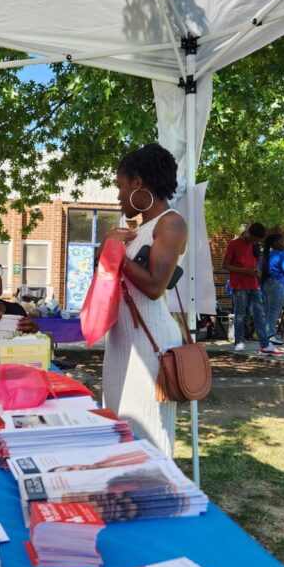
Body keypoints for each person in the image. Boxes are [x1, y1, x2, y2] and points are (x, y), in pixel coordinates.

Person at [100, 143, 186, 455]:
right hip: (122, 341)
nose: (119, 195)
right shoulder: (140, 228)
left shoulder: (171, 223)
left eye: (120, 186)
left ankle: (156, 496)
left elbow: (154, 287)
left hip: (151, 345)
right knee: (118, 428)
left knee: (148, 435)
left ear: (138, 183)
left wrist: (115, 252)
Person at [222, 223, 282, 355]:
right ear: (248, 232)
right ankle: (239, 342)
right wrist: (245, 271)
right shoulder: (234, 244)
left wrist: (257, 271)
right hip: (239, 285)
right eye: (253, 238)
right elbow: (225, 265)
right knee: (240, 315)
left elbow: (256, 262)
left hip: (253, 284)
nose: (254, 241)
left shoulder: (255, 245)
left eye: (257, 240)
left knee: (259, 315)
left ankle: (265, 345)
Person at [259, 232, 284, 346]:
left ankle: (265, 334)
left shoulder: (266, 255)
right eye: (283, 241)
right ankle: (271, 336)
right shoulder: (280, 254)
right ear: (277, 243)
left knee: (267, 310)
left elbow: (259, 269)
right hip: (277, 283)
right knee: (274, 310)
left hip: (265, 284)